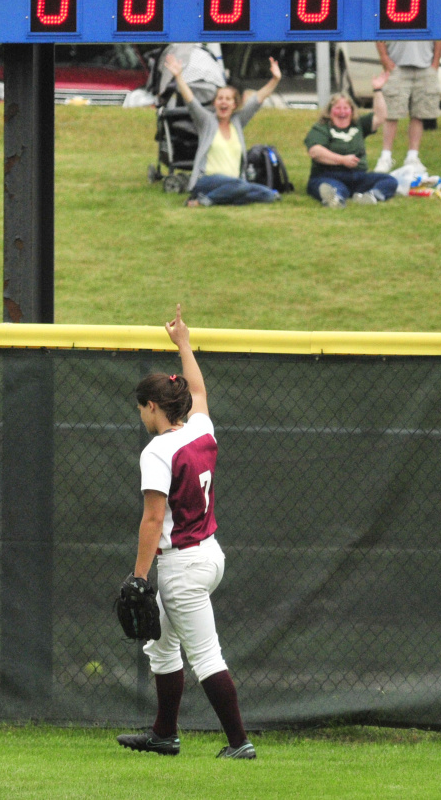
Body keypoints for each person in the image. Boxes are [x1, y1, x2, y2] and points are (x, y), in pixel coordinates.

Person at [117, 305, 256, 761]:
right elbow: (197, 388)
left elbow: (153, 520)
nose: (140, 415)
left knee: (206, 657)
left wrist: (139, 578)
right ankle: (164, 734)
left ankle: (240, 743)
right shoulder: (201, 429)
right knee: (161, 647)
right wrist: (184, 345)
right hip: (208, 553)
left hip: (182, 564)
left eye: (141, 408)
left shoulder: (157, 451)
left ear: (152, 406)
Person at [166, 54, 281, 207]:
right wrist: (179, 76)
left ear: (234, 104)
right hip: (208, 180)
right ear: (215, 103)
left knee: (269, 195)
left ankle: (224, 197)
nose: (223, 102)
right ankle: (205, 201)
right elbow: (191, 102)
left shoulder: (237, 122)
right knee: (242, 187)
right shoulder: (207, 121)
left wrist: (275, 79)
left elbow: (257, 100)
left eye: (228, 99)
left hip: (235, 181)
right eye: (220, 98)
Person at [305, 73, 399, 208]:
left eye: (346, 108)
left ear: (351, 111)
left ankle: (372, 196)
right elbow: (315, 152)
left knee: (389, 181)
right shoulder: (321, 128)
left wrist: (377, 91)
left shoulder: (359, 124)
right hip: (329, 175)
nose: (342, 112)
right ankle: (336, 198)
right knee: (330, 186)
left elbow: (380, 117)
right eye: (337, 108)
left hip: (358, 176)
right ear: (330, 111)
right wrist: (342, 160)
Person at [373, 40, 441, 173]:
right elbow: (379, 34)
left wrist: (435, 64)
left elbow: (439, 37)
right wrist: (385, 58)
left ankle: (412, 157)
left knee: (419, 114)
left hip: (426, 67)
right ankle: (385, 157)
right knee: (392, 114)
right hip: (397, 66)